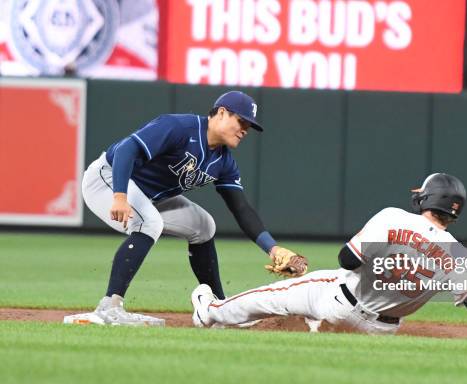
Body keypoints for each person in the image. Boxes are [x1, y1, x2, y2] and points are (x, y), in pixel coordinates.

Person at [191, 173, 467, 344]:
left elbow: (346, 260)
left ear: (428, 199)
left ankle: (209, 311)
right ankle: (308, 327)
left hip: (339, 300)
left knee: (269, 297)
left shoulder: (392, 217)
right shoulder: (459, 255)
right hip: (381, 331)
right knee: (305, 320)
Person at [80, 91, 307, 325]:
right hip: (107, 179)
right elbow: (127, 149)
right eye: (241, 121)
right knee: (150, 223)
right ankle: (109, 306)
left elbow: (241, 208)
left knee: (204, 226)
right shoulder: (178, 127)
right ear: (221, 113)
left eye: (249, 126)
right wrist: (119, 196)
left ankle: (220, 308)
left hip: (149, 196)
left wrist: (273, 248)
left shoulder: (224, 162)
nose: (245, 130)